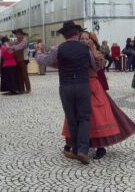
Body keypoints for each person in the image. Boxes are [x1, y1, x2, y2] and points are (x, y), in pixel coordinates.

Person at [63, 31, 135, 159]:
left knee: (97, 116)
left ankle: (100, 146)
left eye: (87, 39)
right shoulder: (75, 51)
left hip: (92, 86)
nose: (85, 41)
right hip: (79, 85)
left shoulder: (96, 52)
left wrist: (92, 51)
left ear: (92, 40)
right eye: (82, 38)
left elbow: (99, 66)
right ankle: (72, 142)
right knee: (74, 114)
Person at [36, 20, 92, 164]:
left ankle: (74, 149)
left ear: (64, 35)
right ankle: (83, 150)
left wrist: (38, 53)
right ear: (77, 33)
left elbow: (45, 61)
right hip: (83, 85)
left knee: (72, 119)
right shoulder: (85, 48)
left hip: (66, 86)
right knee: (84, 118)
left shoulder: (58, 48)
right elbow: (94, 65)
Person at [12, 29, 31, 94]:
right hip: (17, 60)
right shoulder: (16, 41)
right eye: (16, 34)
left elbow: (18, 47)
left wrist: (11, 47)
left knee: (25, 75)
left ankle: (28, 89)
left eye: (18, 34)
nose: (17, 36)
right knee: (19, 76)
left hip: (24, 60)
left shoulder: (24, 41)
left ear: (22, 35)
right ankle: (21, 89)